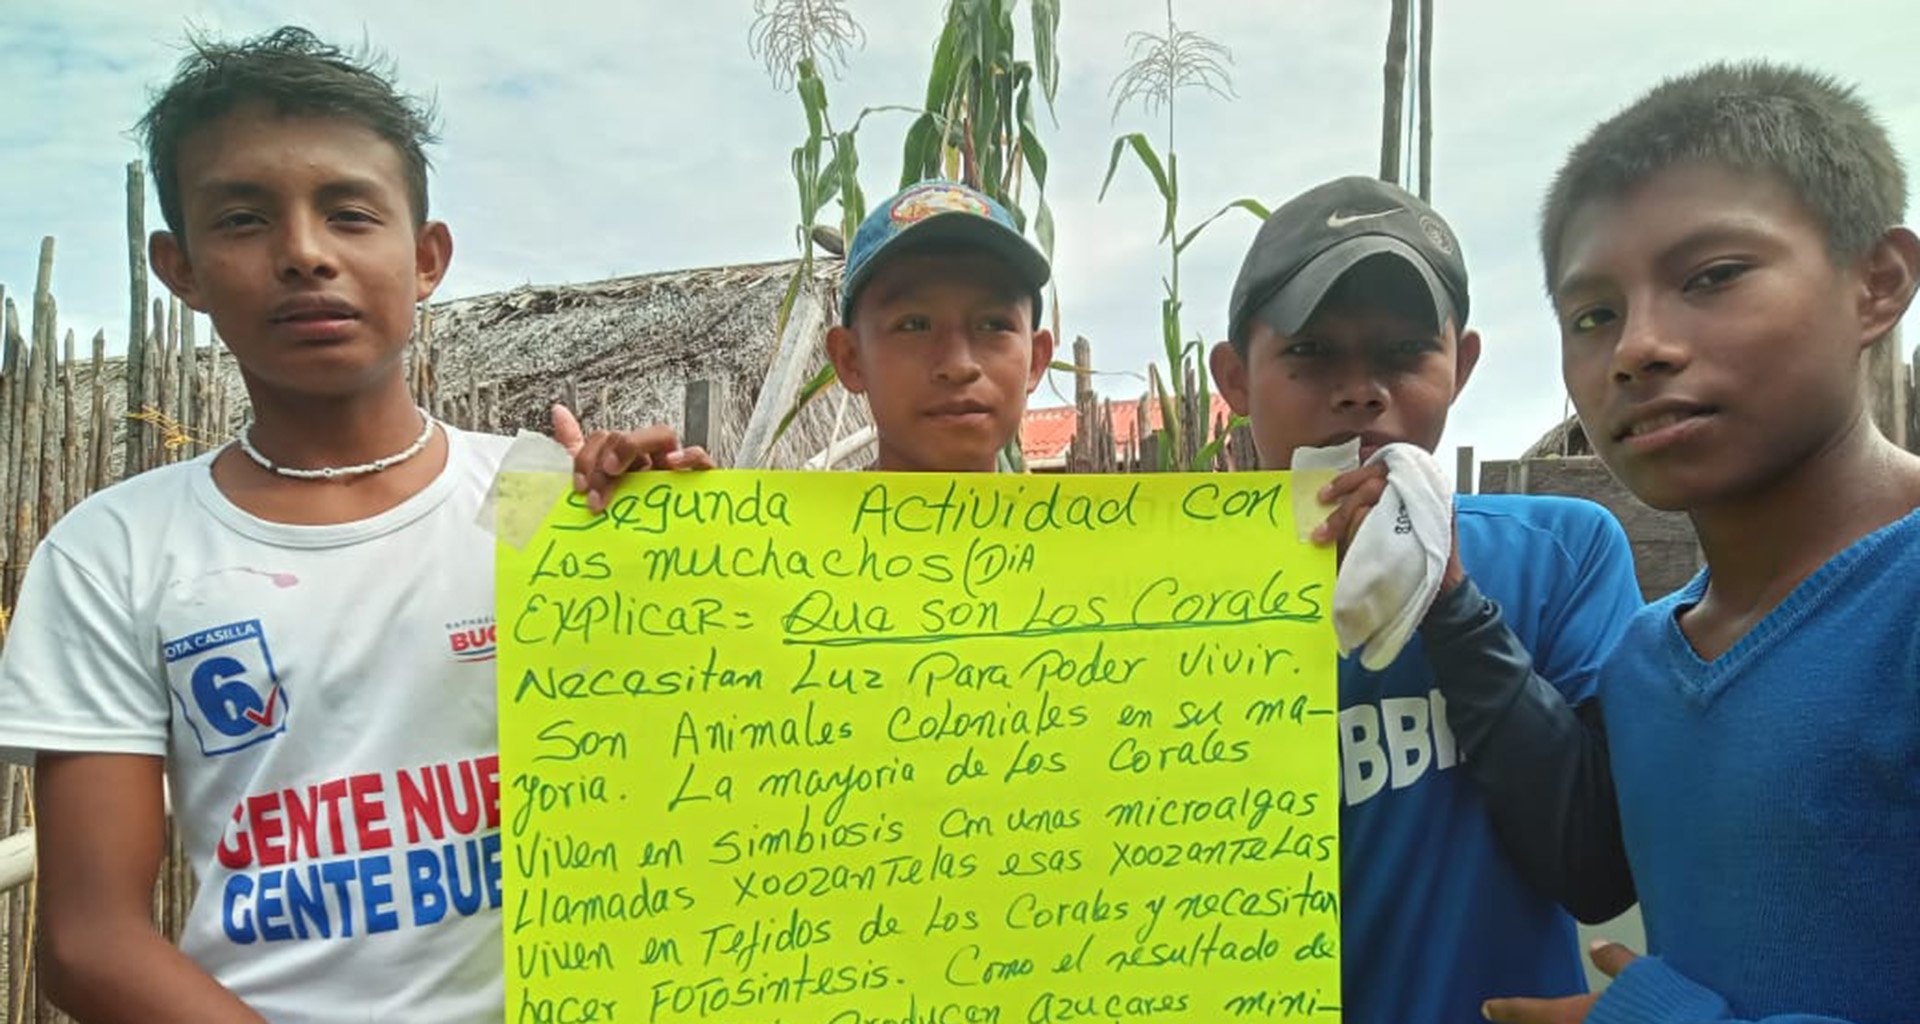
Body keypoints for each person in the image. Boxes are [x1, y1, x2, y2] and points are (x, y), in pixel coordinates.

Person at [0, 27, 698, 1022]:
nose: (304, 253)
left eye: (350, 213)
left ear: (425, 259)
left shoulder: (539, 497)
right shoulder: (117, 552)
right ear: (179, 269)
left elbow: (696, 781)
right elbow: (86, 940)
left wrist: (691, 557)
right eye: (242, 219)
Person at [1480, 61, 1920, 1024]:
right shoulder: (1644, 662)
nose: (1637, 346)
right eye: (1592, 315)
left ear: (1876, 284)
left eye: (1712, 277)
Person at [1207, 175, 1645, 1024]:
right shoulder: (1159, 599)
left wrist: (1449, 600)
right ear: (1234, 378)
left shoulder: (1564, 554)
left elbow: (1595, 868)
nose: (1361, 390)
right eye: (1310, 352)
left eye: (1405, 353)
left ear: (1462, 365)